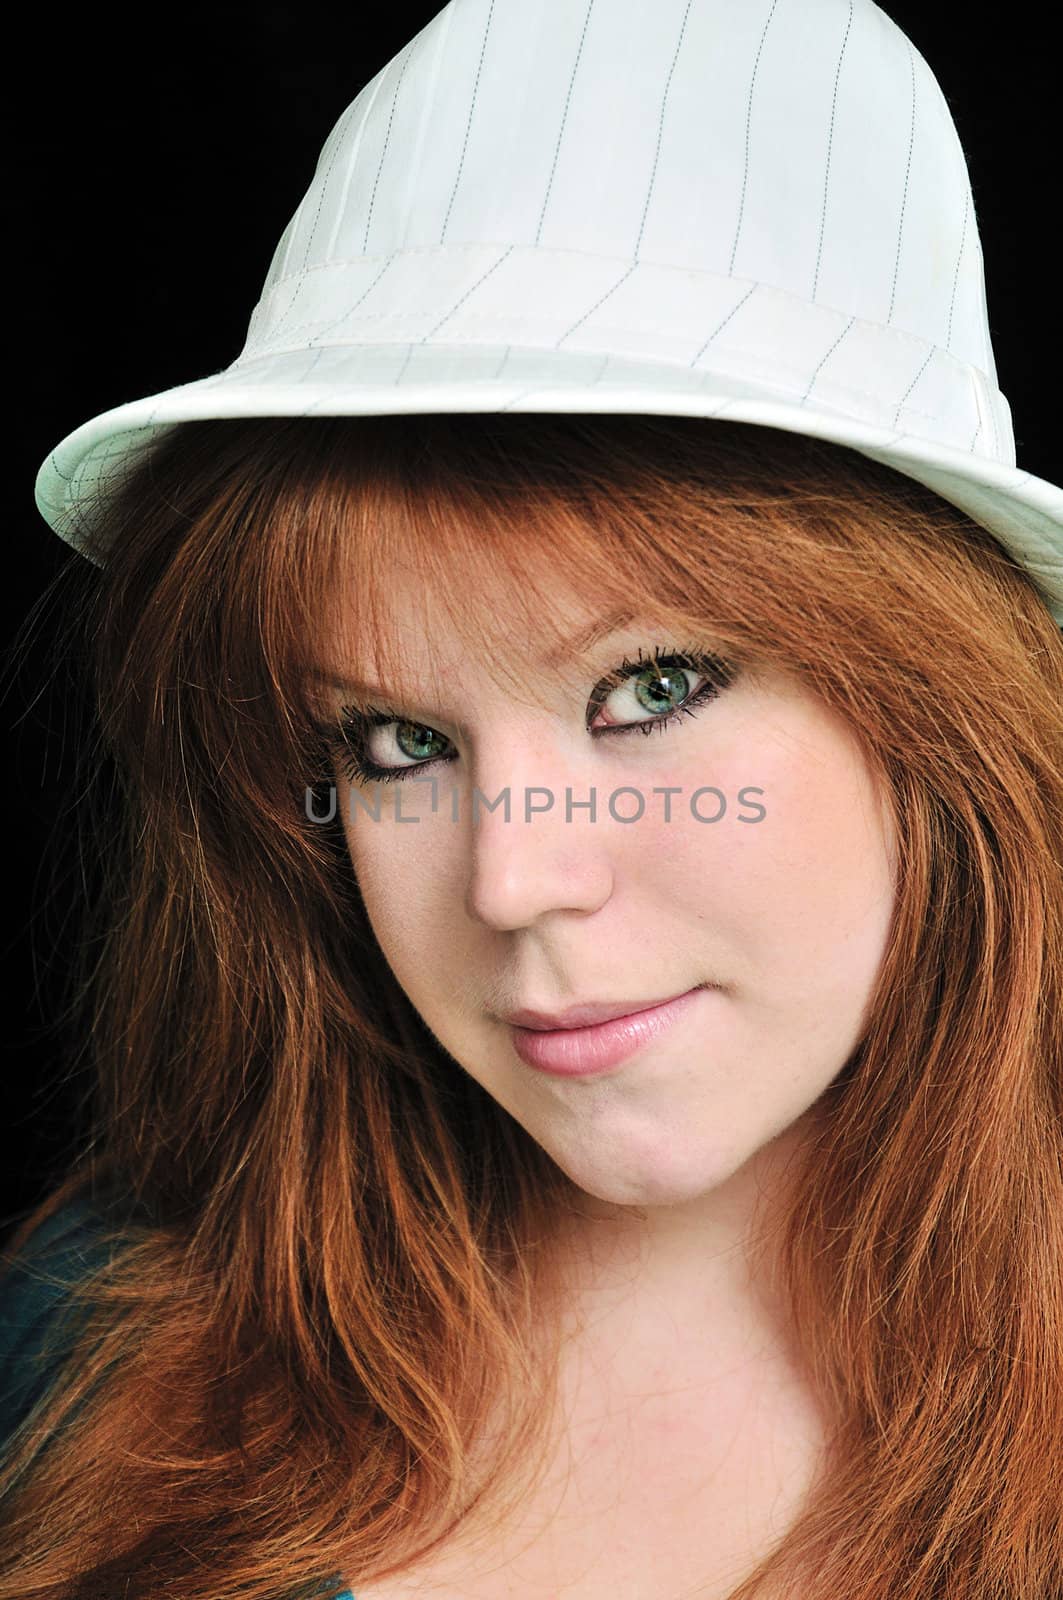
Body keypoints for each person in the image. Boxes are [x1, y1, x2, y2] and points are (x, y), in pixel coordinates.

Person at [3, 3, 1061, 1599]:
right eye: (393, 745)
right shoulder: (96, 1337)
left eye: (651, 690)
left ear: (947, 717)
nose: (513, 885)